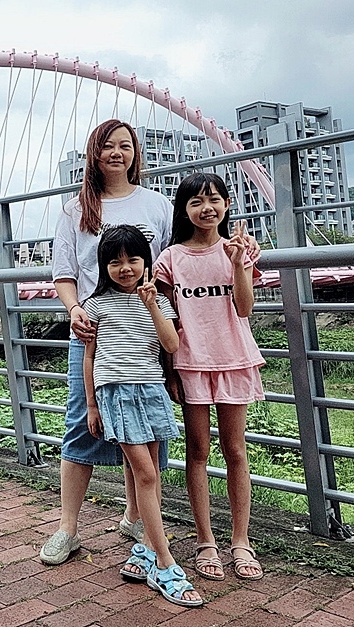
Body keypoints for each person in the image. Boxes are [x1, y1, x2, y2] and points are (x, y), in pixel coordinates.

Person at [42, 119, 174, 566]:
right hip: (93, 331)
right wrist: (73, 308)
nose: (117, 153)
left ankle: (135, 517)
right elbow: (64, 274)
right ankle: (68, 528)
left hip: (143, 335)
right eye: (108, 146)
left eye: (126, 146)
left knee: (141, 428)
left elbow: (172, 264)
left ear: (137, 152)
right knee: (81, 423)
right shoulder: (75, 209)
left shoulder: (157, 205)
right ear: (93, 154)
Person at [153, 172, 265, 582]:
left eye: (215, 199)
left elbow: (244, 308)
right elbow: (167, 319)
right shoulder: (170, 259)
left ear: (228, 204)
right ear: (183, 210)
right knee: (197, 451)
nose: (207, 208)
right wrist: (170, 373)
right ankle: (205, 541)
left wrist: (238, 264)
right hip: (191, 361)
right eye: (196, 201)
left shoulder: (239, 250)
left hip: (233, 358)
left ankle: (241, 540)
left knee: (236, 451)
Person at [82, 224, 202, 608]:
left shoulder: (157, 302)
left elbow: (171, 344)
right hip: (116, 392)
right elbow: (89, 356)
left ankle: (146, 549)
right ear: (104, 266)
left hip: (151, 391)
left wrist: (151, 304)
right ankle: (164, 561)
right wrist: (92, 403)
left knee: (146, 472)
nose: (125, 268)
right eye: (115, 262)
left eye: (133, 259)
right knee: (146, 473)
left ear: (145, 261)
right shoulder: (96, 304)